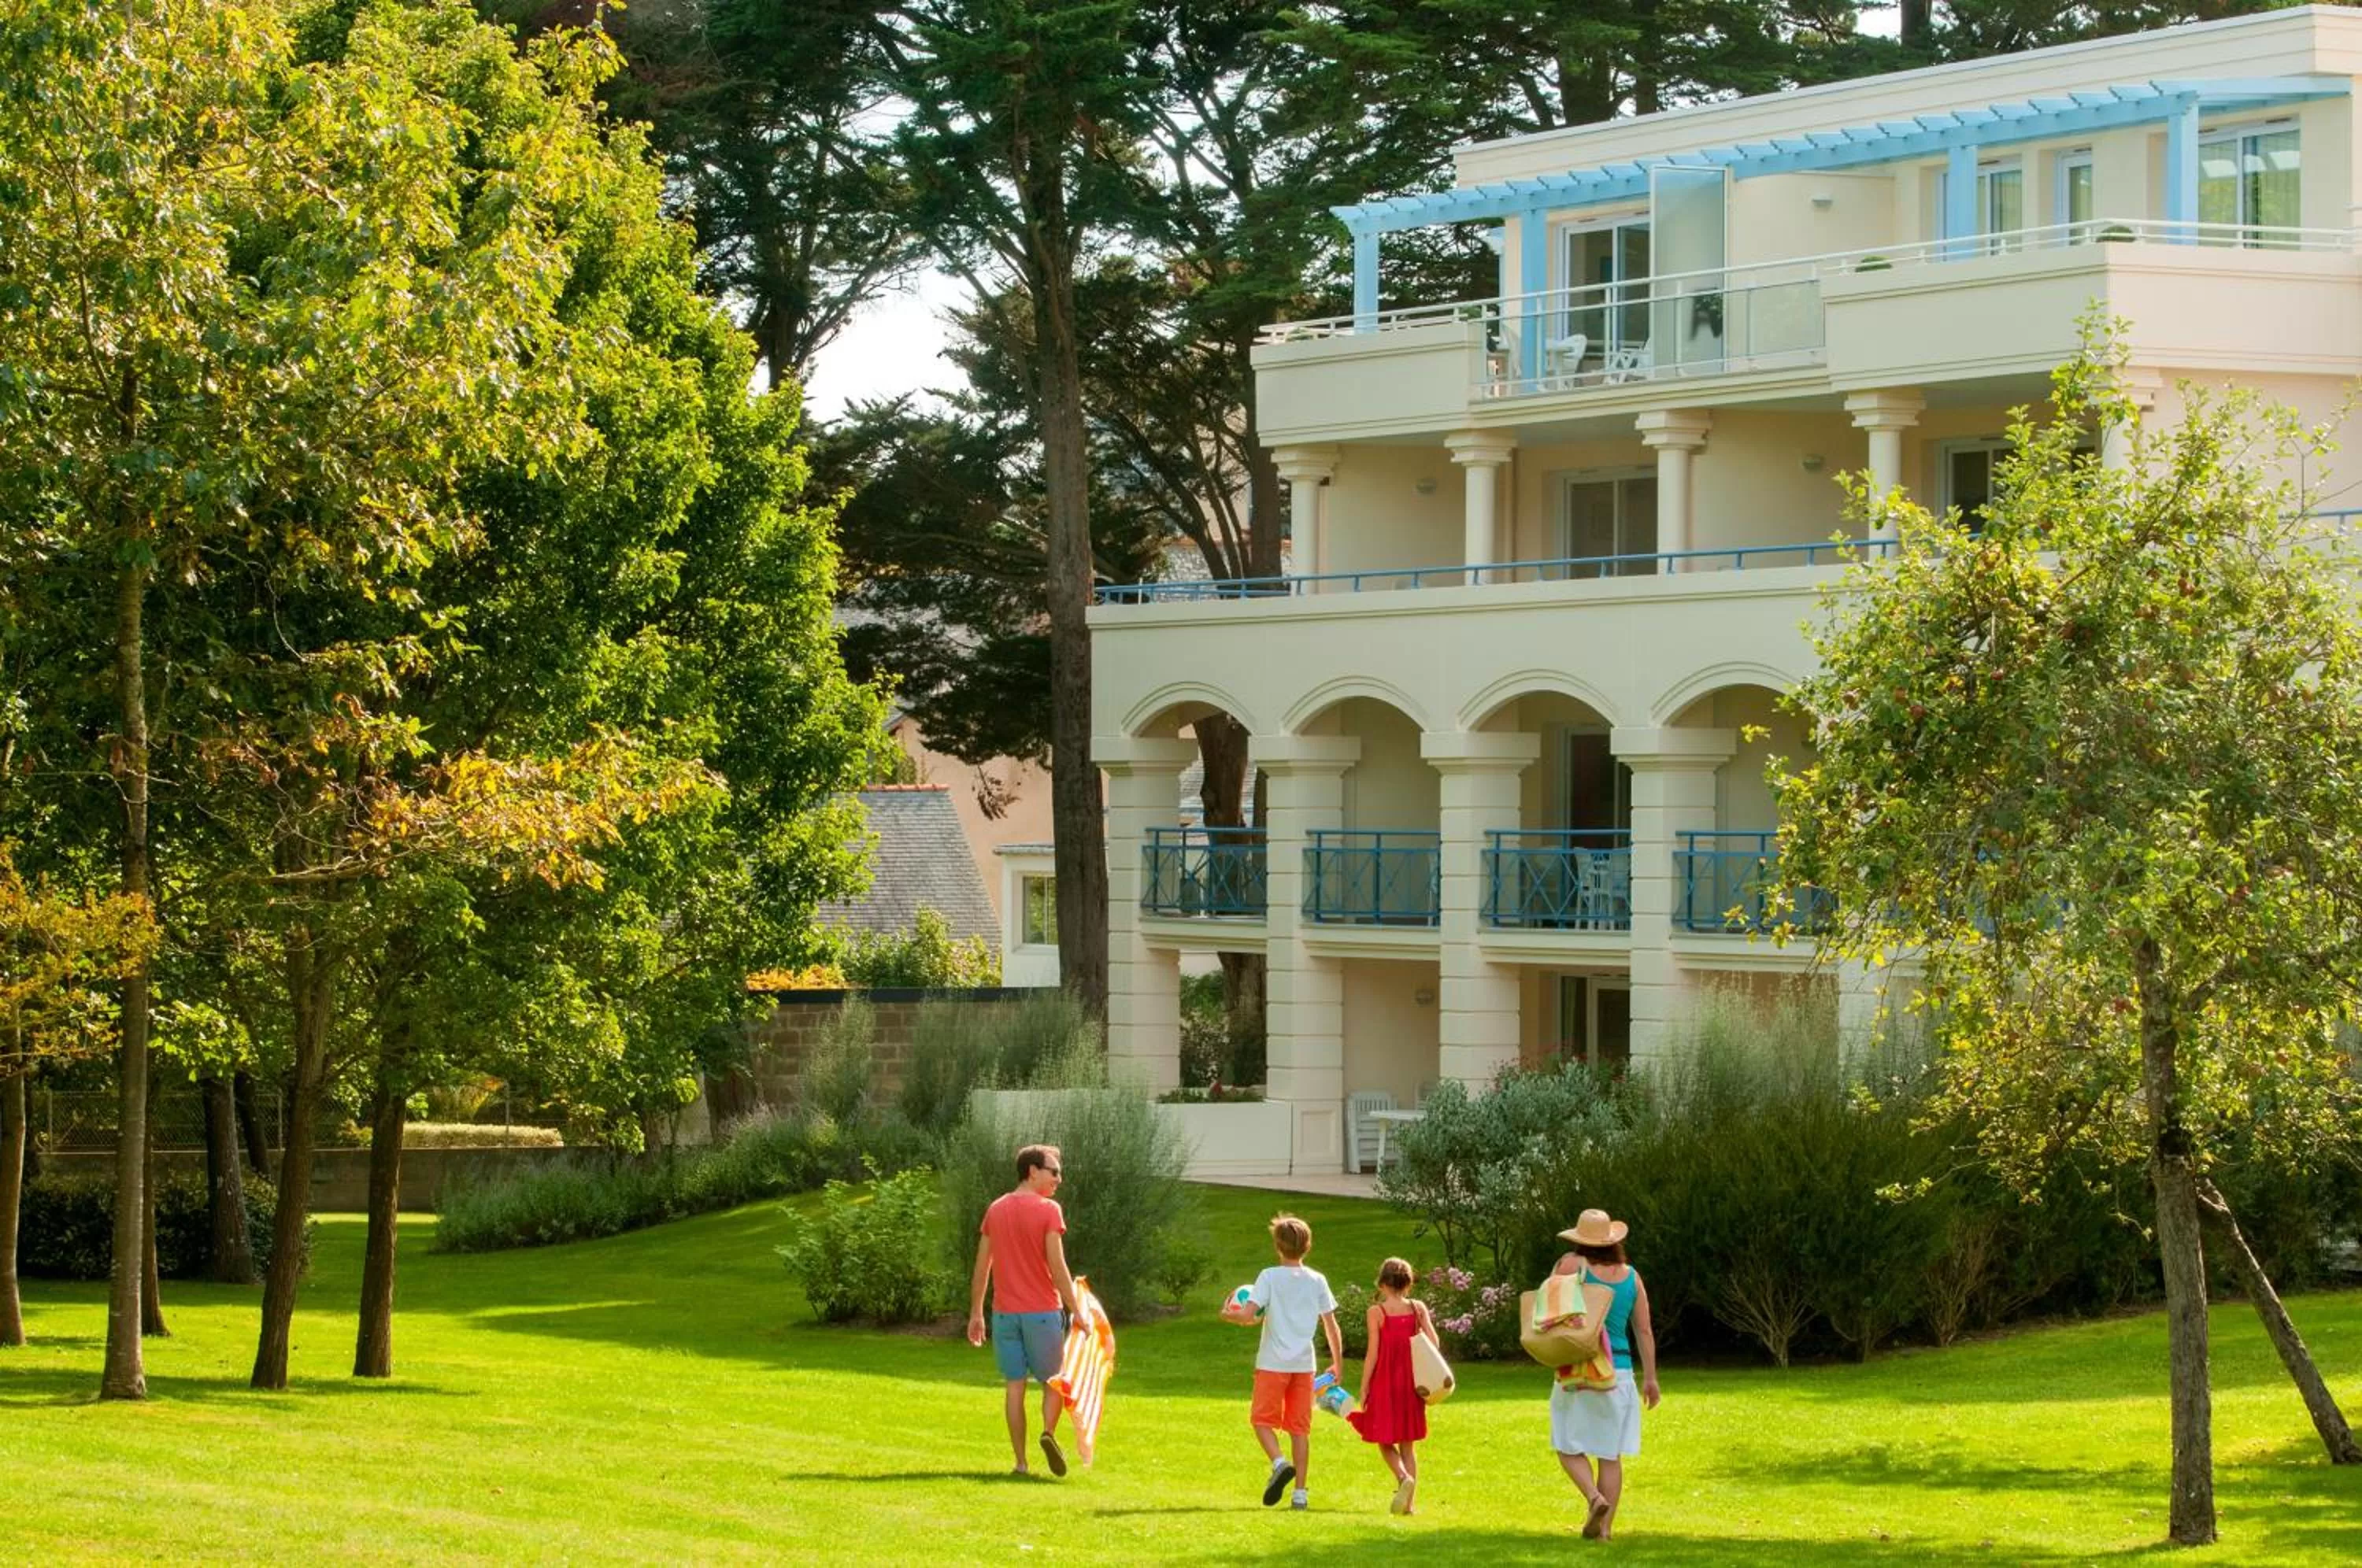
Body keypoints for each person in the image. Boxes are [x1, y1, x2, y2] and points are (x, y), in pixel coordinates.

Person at [966, 1143, 1083, 1478]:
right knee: (1052, 1381)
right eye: (1054, 1171)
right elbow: (1058, 1268)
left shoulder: (995, 1209)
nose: (1059, 1179)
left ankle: (1020, 1462)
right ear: (1033, 1171)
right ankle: (1048, 1433)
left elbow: (981, 1268)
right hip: (1043, 1312)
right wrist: (1078, 1311)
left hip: (1004, 1315)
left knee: (1014, 1386)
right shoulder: (1049, 1210)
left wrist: (976, 1313)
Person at [1549, 1207, 1659, 1540]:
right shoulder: (1631, 1276)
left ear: (1581, 1240)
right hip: (1620, 1371)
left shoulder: (1571, 1266)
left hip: (1578, 1366)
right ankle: (1605, 1530)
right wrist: (1650, 1378)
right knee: (1610, 1454)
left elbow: (1548, 1307)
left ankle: (1594, 1498)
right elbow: (1644, 1330)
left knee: (1566, 1444)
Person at [1220, 1212, 1342, 1511]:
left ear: (1278, 1246)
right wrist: (1338, 1363)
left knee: (1261, 1421)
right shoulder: (1317, 1280)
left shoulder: (1269, 1277)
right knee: (1299, 1429)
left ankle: (1278, 1463)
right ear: (1307, 1246)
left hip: (1273, 1363)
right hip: (1304, 1365)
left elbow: (1248, 1315)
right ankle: (1300, 1494)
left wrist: (1227, 1315)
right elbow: (1331, 1324)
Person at [1345, 1256, 1438, 1515]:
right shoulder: (1418, 1308)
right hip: (1411, 1383)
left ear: (1382, 1283)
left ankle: (1402, 1477)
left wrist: (1364, 1387)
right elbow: (1434, 1343)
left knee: (1382, 1437)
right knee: (1408, 1444)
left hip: (1384, 1383)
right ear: (1408, 1283)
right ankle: (1409, 1506)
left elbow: (1372, 1353)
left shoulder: (1377, 1312)